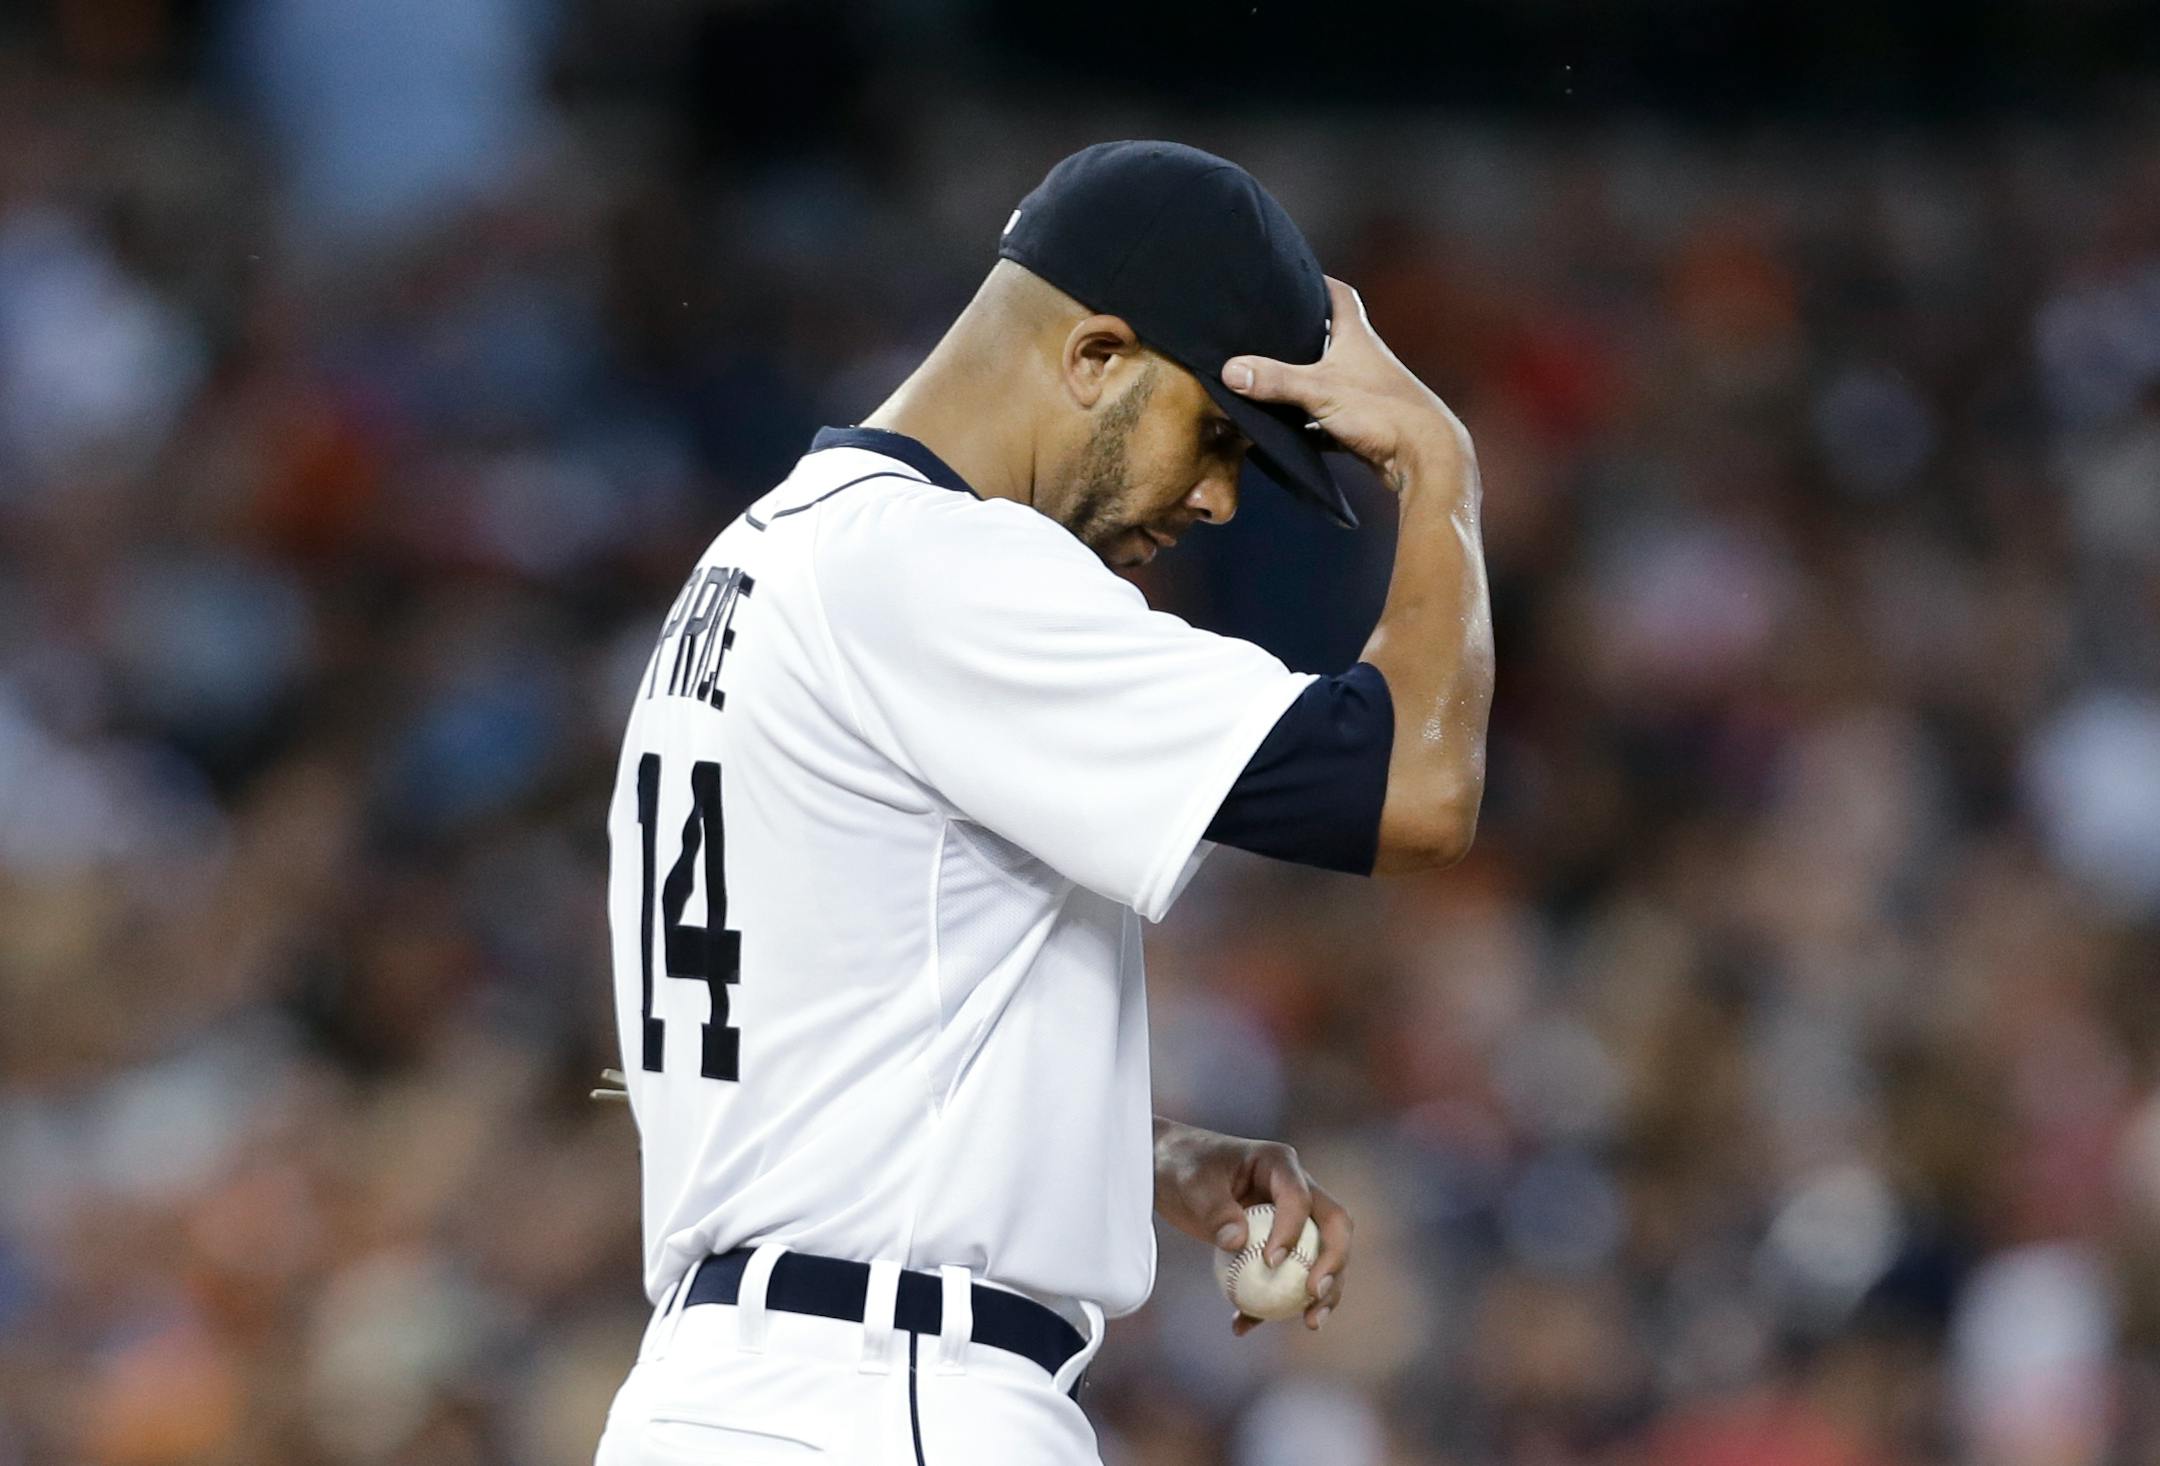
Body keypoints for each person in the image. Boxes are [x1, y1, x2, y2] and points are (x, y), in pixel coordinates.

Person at [593, 139, 1492, 1466]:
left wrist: (1141, 1156)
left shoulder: (760, 560)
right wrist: (1440, 464)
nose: (1218, 498)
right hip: (887, 1391)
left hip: (722, 1394)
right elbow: (1415, 786)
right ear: (1095, 356)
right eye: (1215, 434)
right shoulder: (933, 562)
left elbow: (829, 1048)